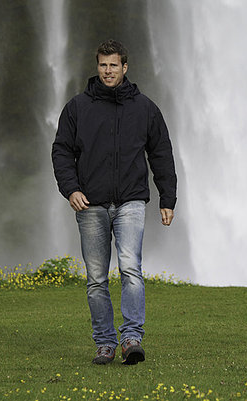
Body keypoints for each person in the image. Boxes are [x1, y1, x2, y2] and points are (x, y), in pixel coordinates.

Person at [51, 39, 177, 365]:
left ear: (125, 67)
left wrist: (168, 197)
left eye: (114, 65)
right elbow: (62, 150)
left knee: (131, 269)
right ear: (98, 67)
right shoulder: (78, 107)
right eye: (103, 65)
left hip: (131, 202)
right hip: (90, 204)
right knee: (96, 279)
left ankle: (131, 338)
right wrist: (71, 189)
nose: (108, 71)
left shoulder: (145, 108)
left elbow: (161, 153)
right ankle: (105, 343)